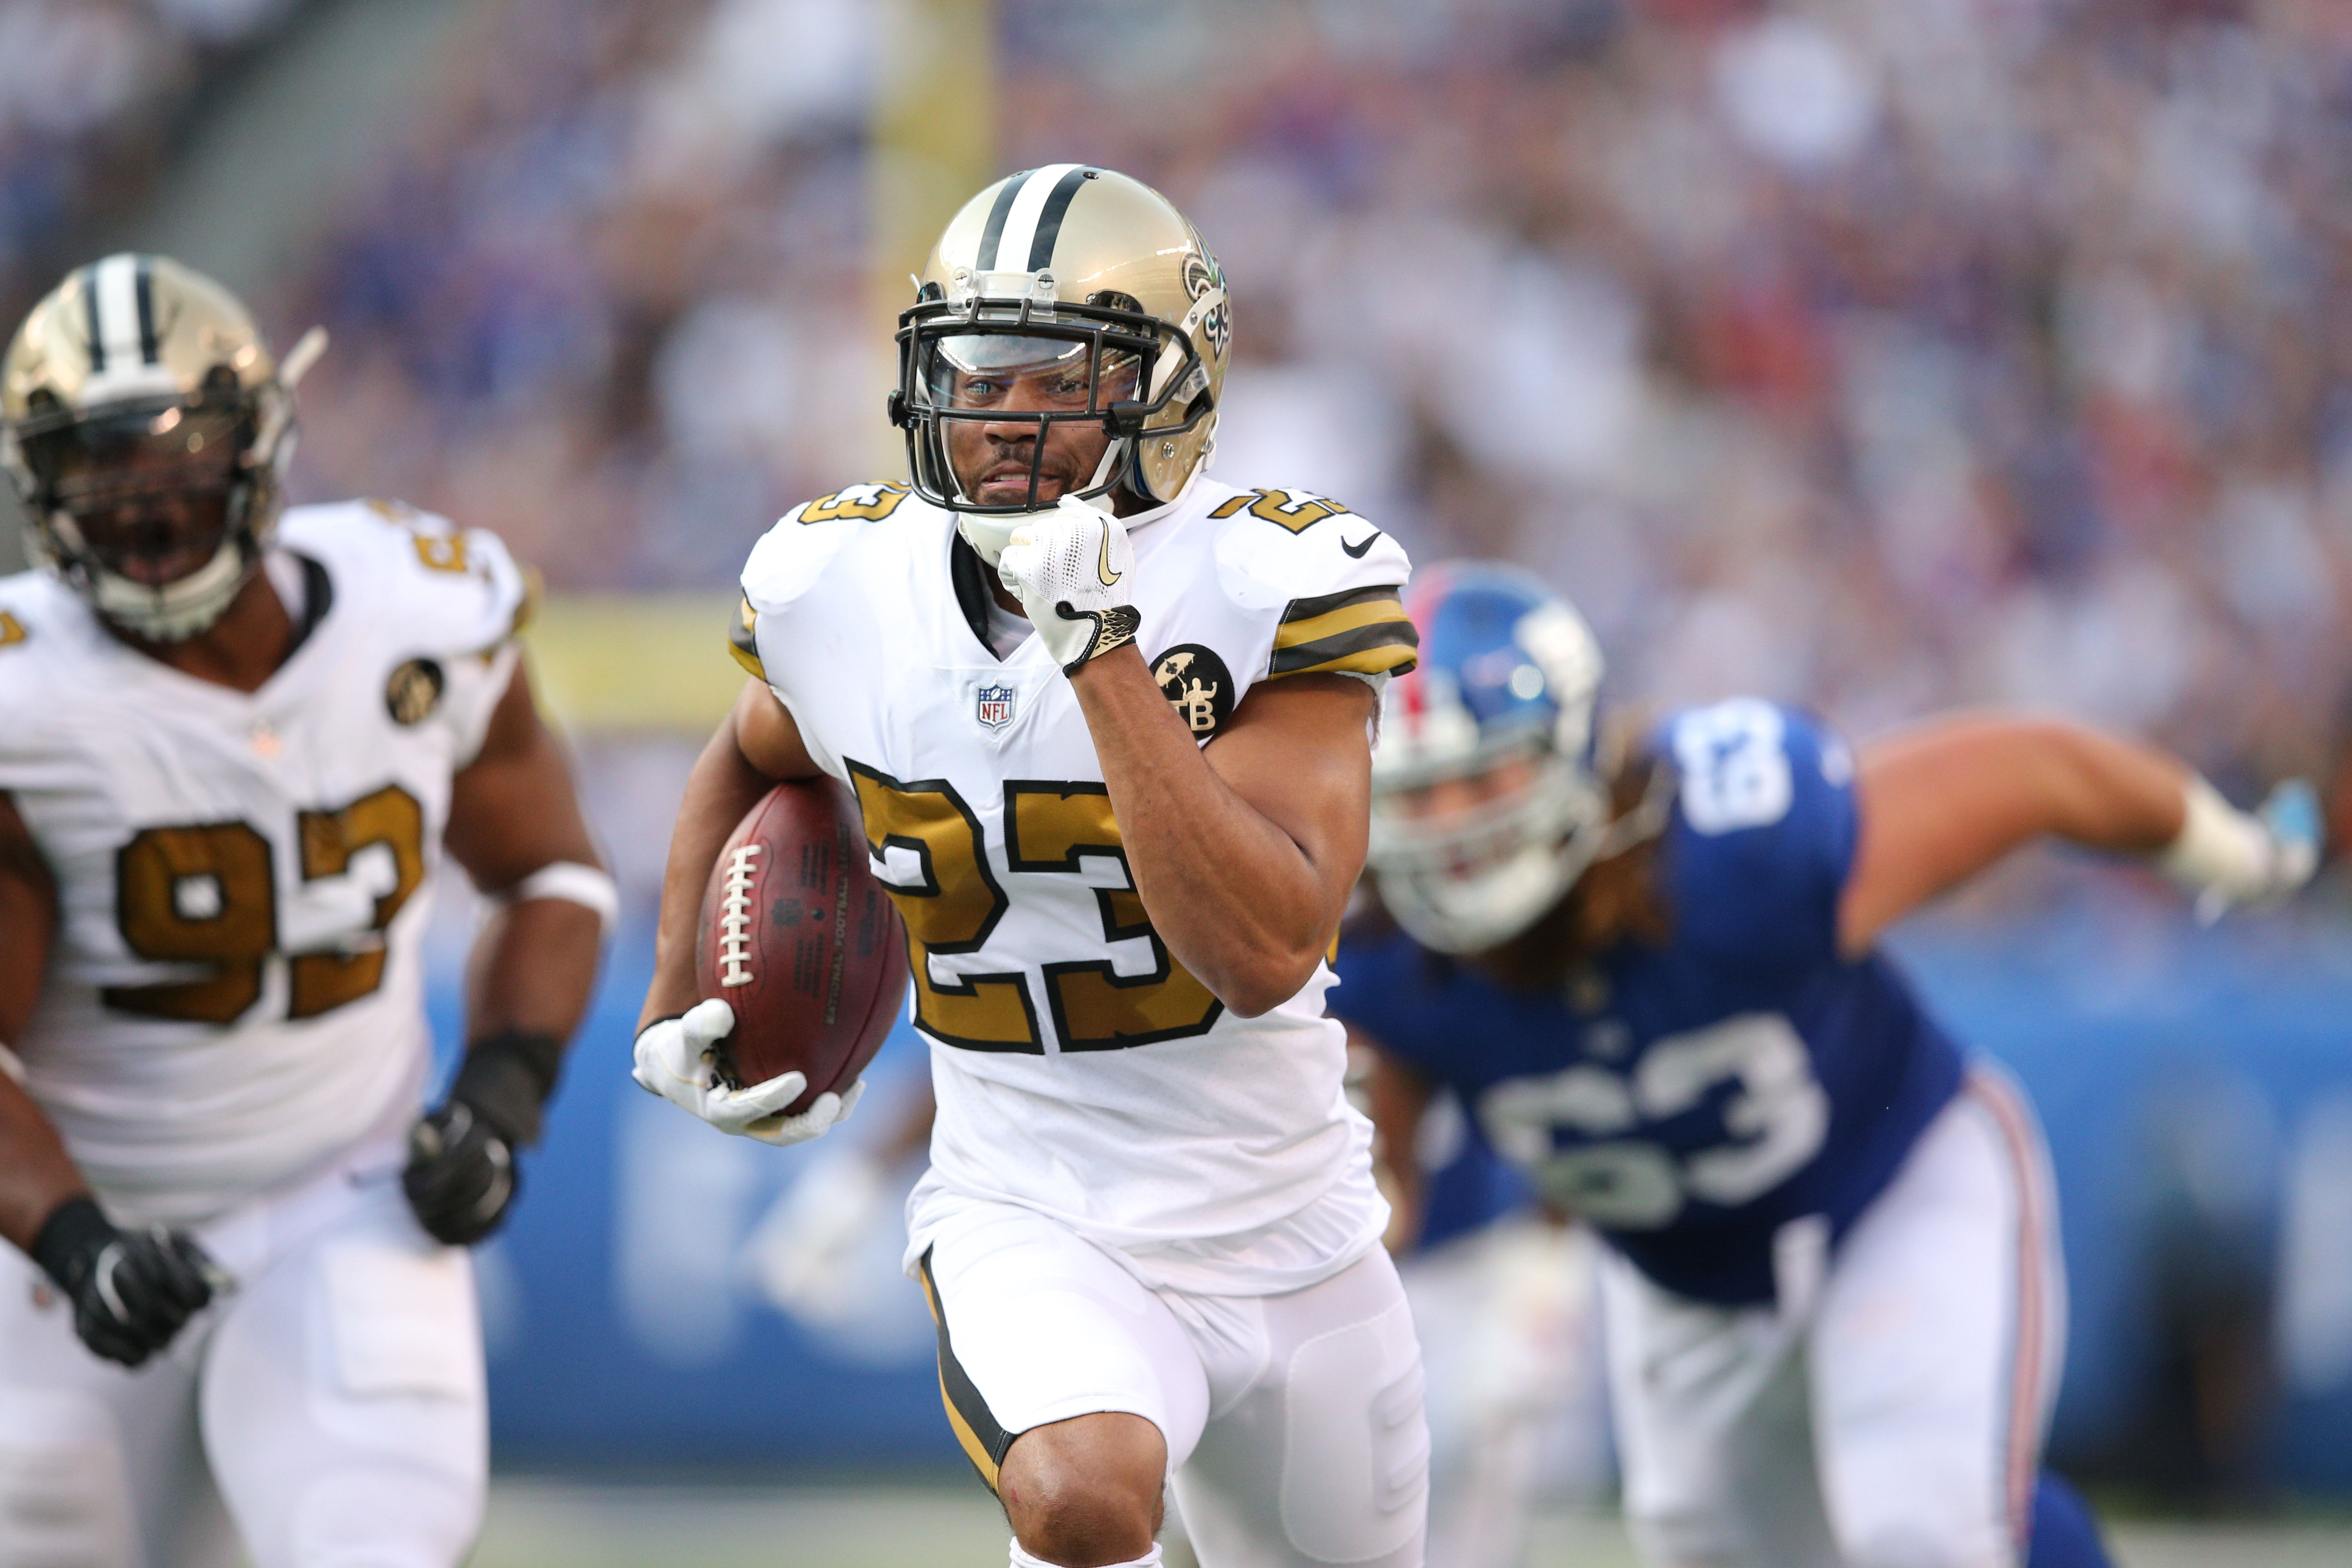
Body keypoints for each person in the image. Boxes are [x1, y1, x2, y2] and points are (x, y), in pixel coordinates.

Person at [632, 165, 1428, 1568]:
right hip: (1029, 1205)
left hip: (1290, 1229)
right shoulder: (842, 588)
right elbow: (755, 752)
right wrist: (673, 991)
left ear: (1170, 389)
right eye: (975, 374)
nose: (1004, 419)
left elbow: (1263, 952)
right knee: (1080, 1497)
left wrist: (1100, 649)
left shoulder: (1269, 585)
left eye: (1057, 378)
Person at [1332, 562, 2321, 1568]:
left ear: (1570, 748)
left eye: (1479, 777)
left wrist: (2232, 852)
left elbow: (2035, 773)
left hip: (1892, 1189)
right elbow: (1379, 1191)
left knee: (1923, 1535)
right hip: (1684, 1286)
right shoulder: (1374, 953)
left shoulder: (1730, 850)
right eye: (1420, 790)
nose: (1451, 826)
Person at [0, 255, 611, 1568]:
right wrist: (72, 1235)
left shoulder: (422, 609)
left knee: (376, 1543)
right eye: (98, 466)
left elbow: (550, 877)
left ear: (262, 438)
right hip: (61, 1241)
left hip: (342, 1193)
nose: (147, 504)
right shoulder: (25, 702)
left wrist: (503, 1095)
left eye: (175, 455)